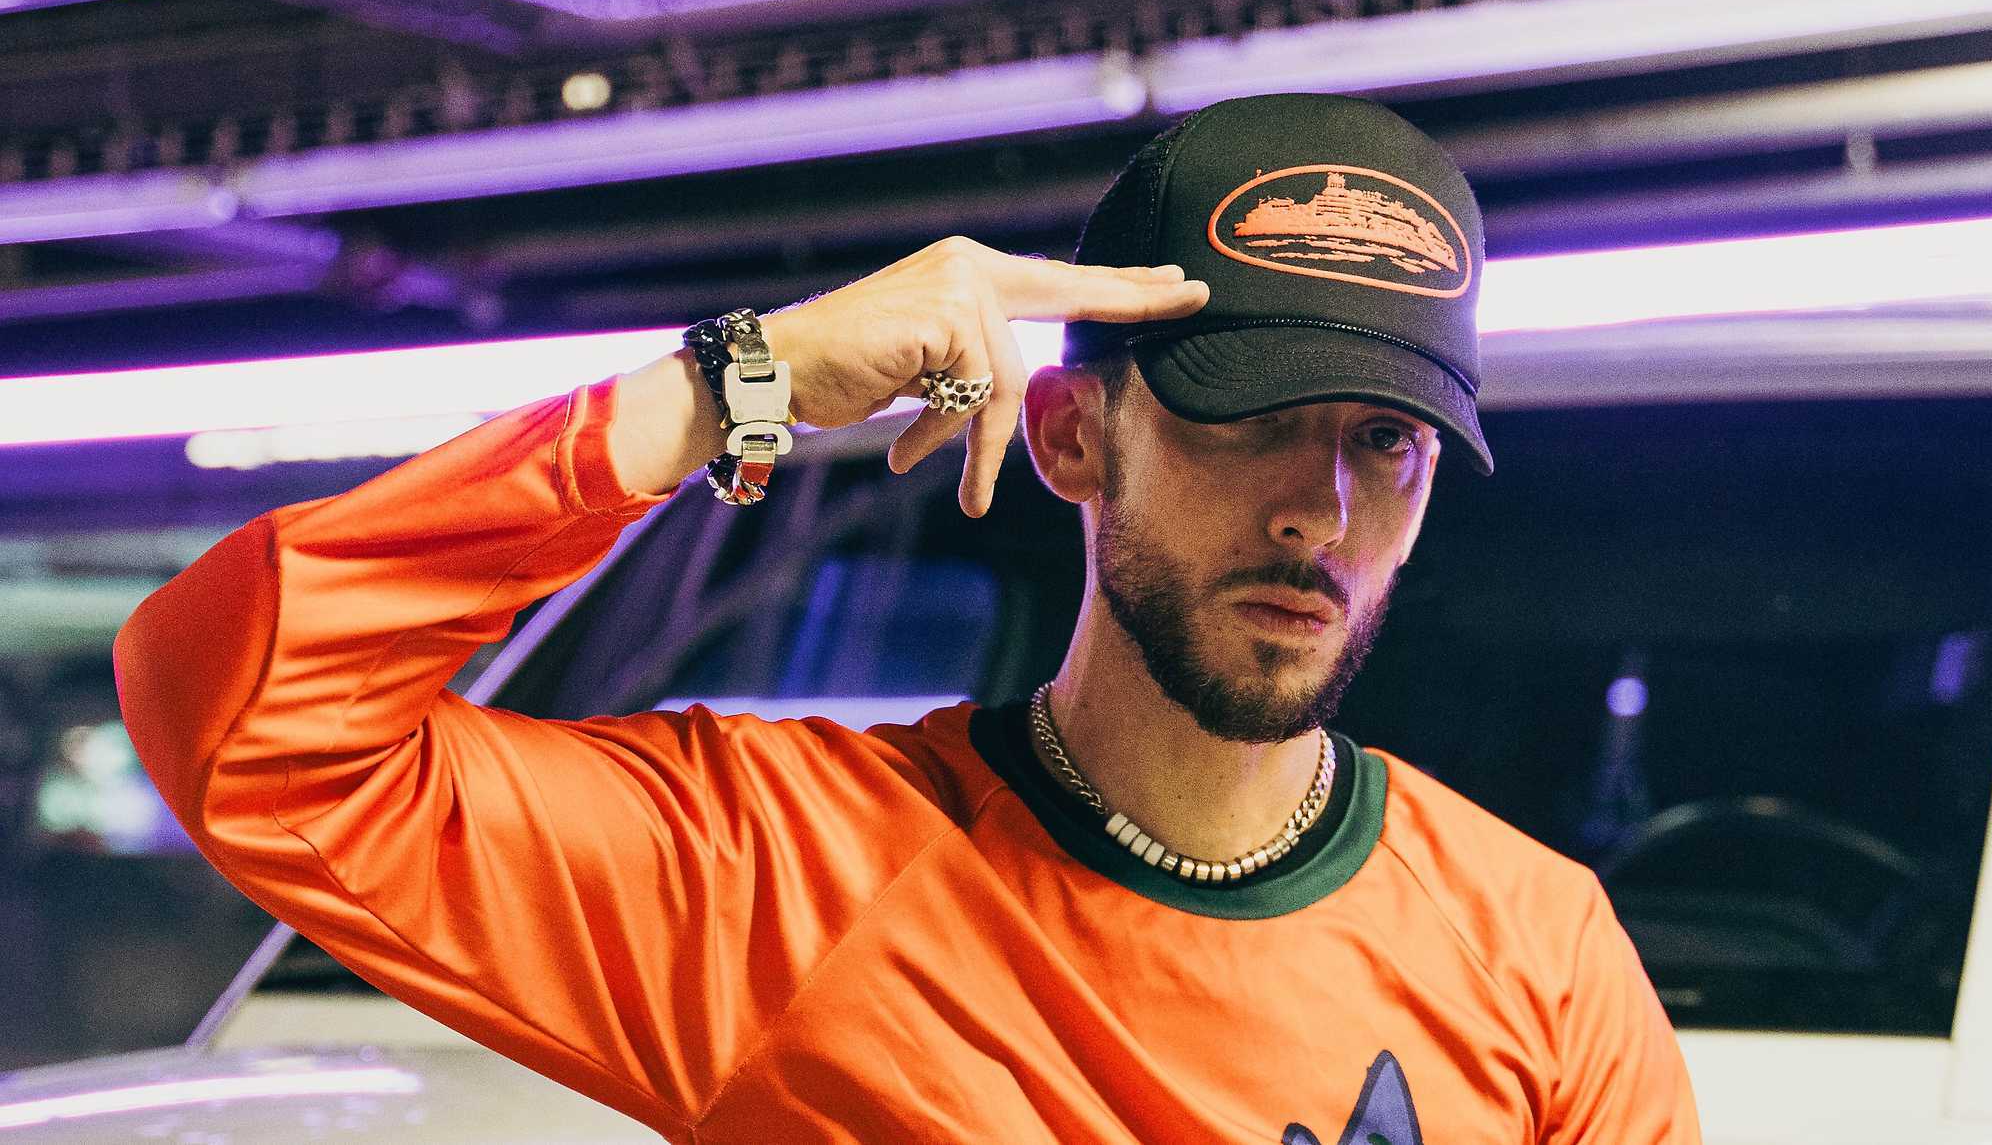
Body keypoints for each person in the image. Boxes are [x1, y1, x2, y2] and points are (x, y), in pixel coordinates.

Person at [114, 93, 1700, 1143]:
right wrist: (739, 383)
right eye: (1249, 420)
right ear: (1072, 437)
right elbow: (241, 719)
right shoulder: (774, 883)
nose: (1320, 511)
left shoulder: (1536, 950)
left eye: (1387, 444)